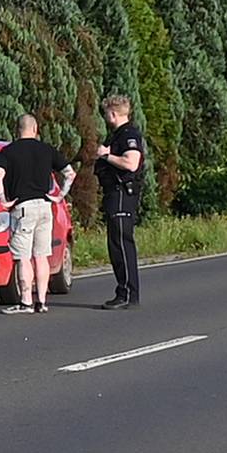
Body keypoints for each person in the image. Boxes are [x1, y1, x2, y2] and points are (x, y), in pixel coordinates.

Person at [0, 115, 72, 315]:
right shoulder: (46, 150)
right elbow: (70, 173)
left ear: (16, 130)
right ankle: (42, 301)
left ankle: (26, 301)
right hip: (45, 207)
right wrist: (59, 195)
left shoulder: (8, 151)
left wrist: (3, 199)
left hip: (23, 208)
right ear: (35, 128)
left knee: (23, 257)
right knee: (42, 255)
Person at [94, 95, 148, 309]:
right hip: (115, 194)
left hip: (122, 194)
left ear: (113, 114)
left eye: (107, 113)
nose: (106, 117)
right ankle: (125, 291)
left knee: (121, 243)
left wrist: (107, 156)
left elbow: (131, 163)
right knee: (117, 243)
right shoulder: (119, 134)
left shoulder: (128, 135)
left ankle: (126, 292)